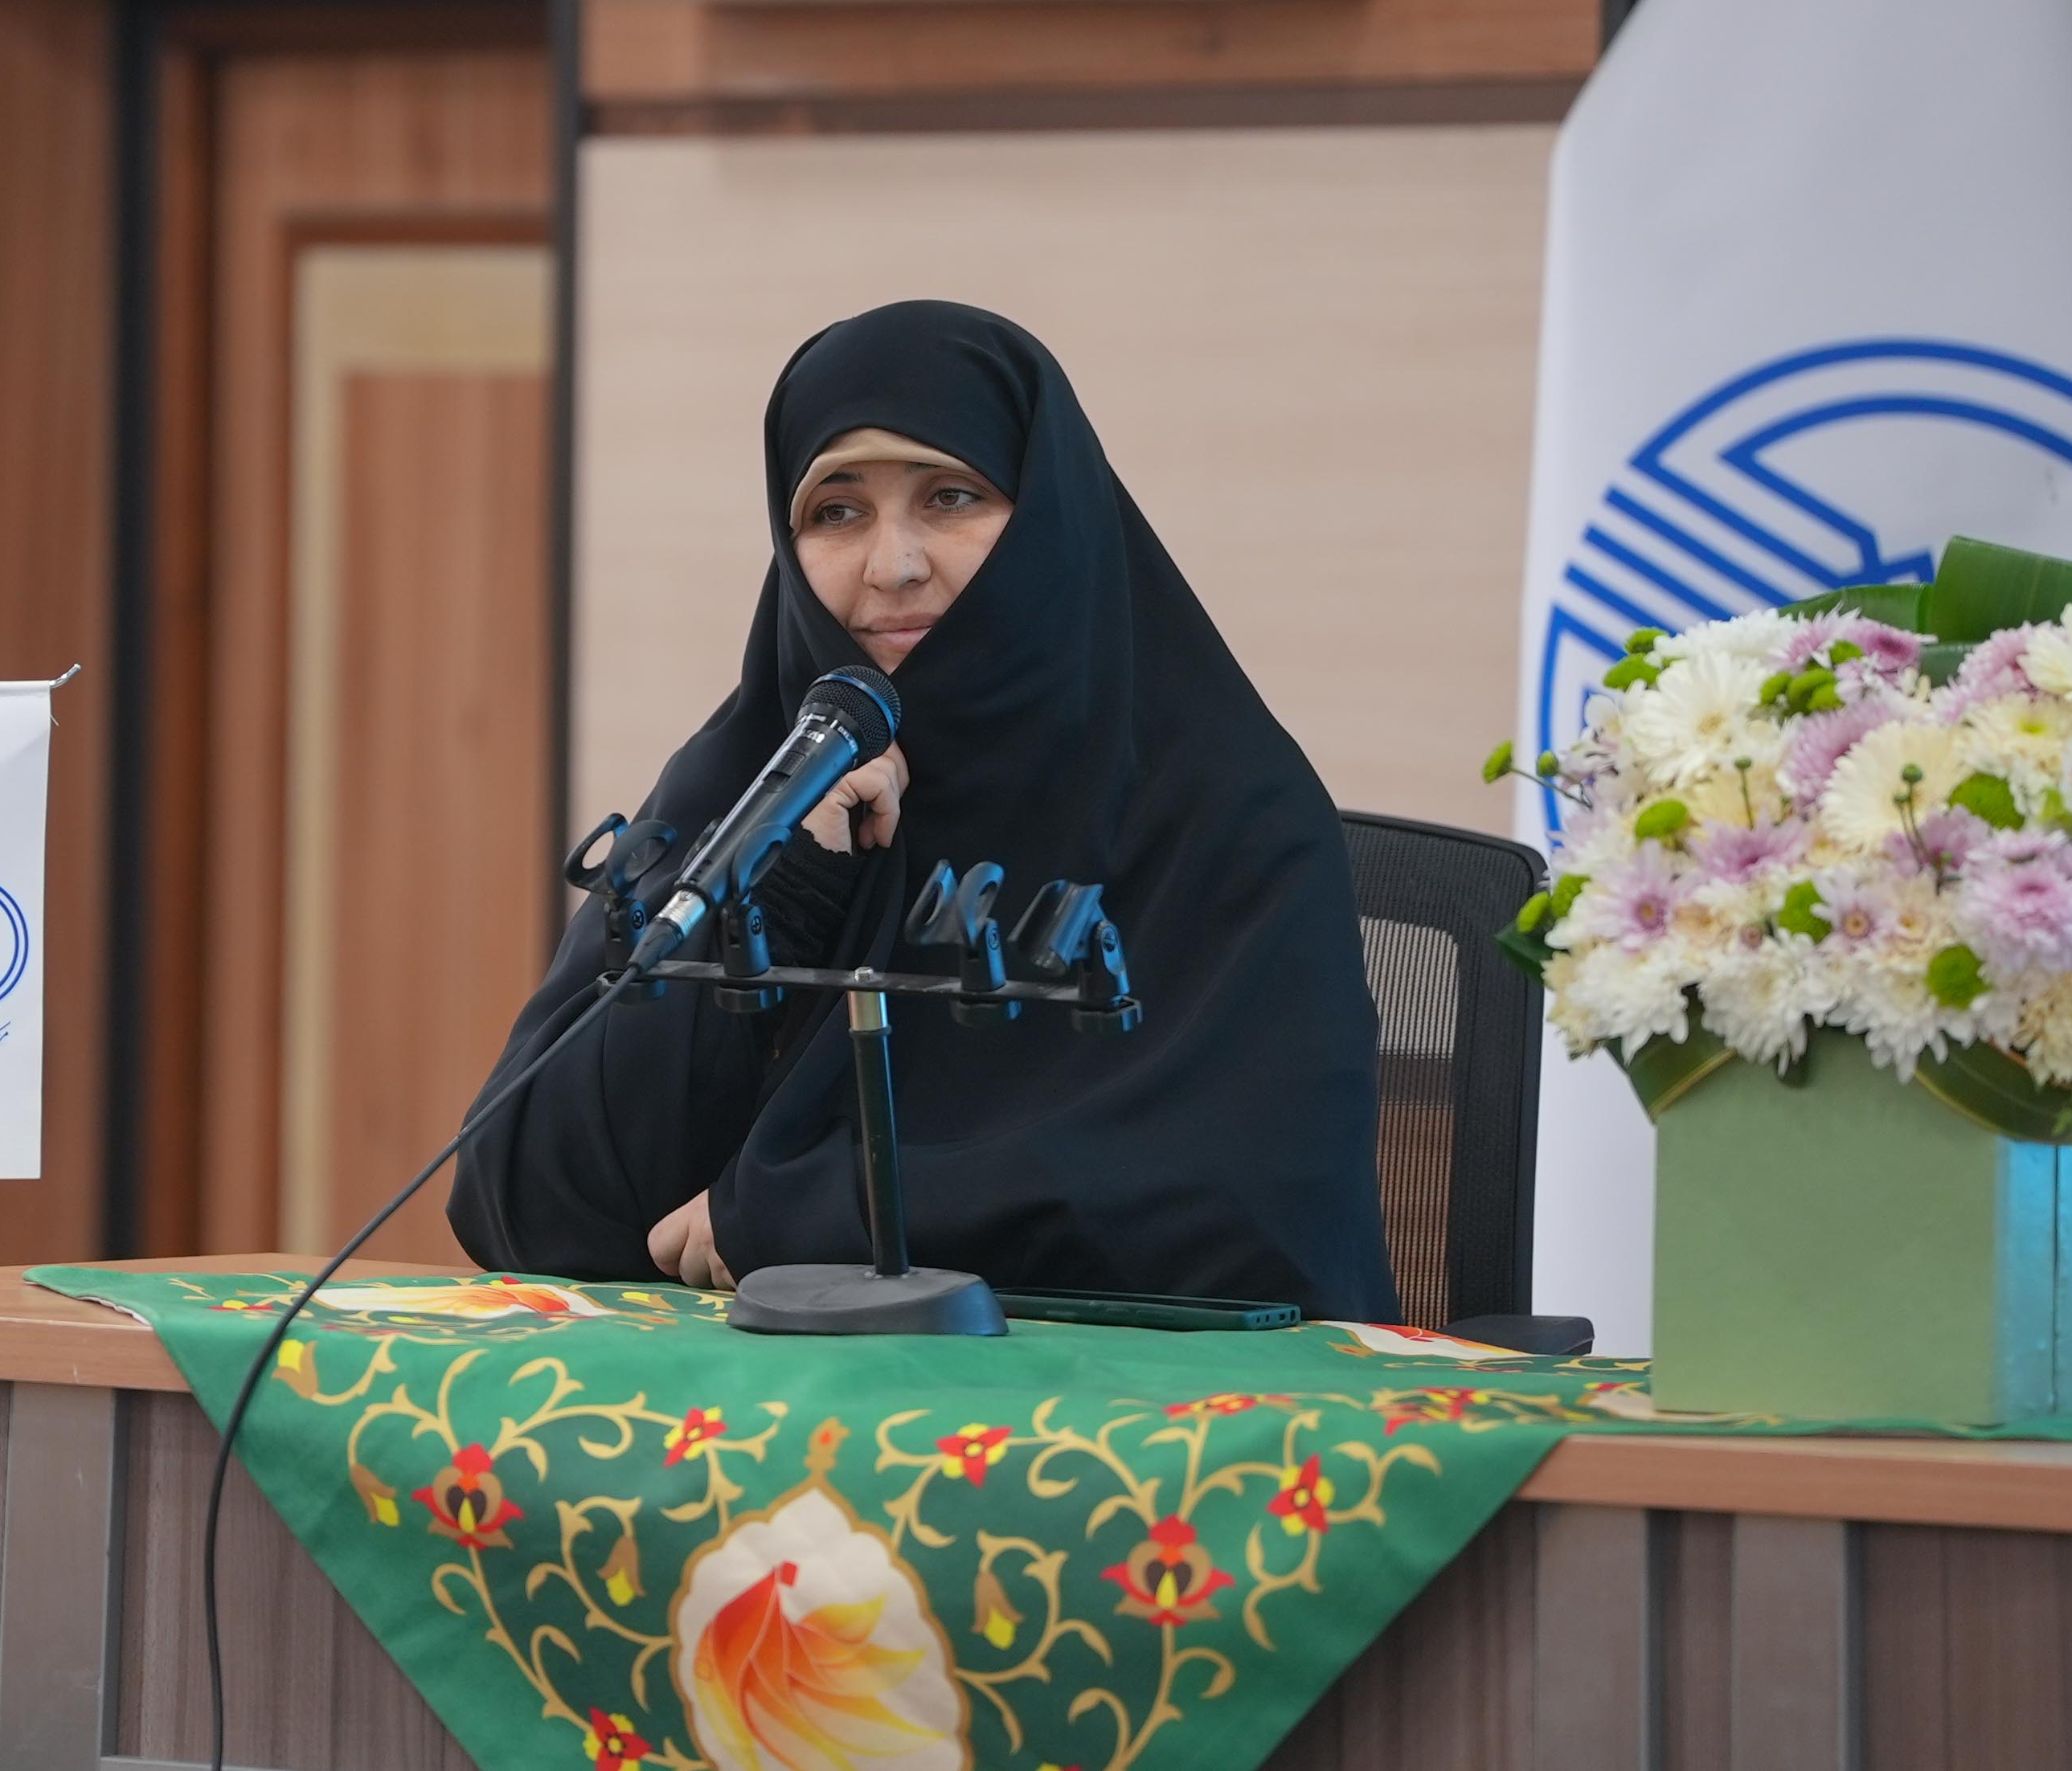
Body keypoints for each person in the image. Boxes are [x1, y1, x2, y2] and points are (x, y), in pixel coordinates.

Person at [448, 300, 1398, 1323]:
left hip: (1131, 1409)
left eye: (950, 497)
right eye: (835, 511)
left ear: (1047, 516)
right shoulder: (752, 779)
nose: (892, 564)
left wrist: (810, 1215)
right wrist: (790, 880)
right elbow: (527, 1198)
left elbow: (1241, 1203)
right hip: (749, 1402)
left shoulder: (1227, 806)